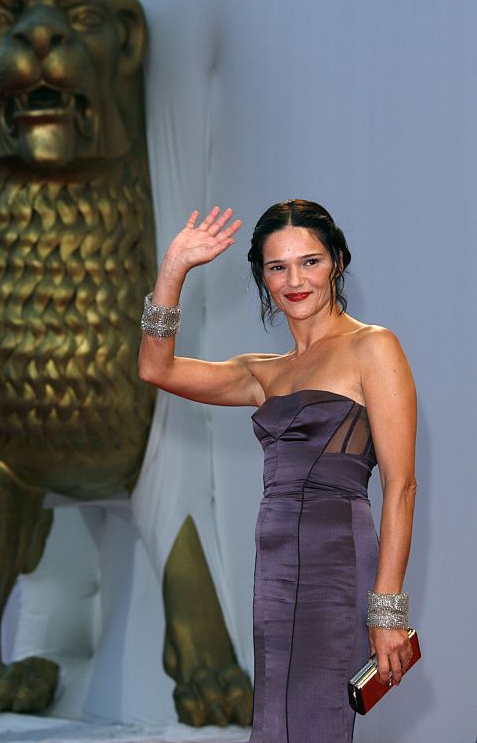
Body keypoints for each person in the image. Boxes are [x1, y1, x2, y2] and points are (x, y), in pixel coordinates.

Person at [138, 200, 417, 743]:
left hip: (336, 563)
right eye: (277, 267)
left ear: (336, 261)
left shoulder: (373, 347)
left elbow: (401, 486)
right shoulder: (263, 373)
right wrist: (173, 269)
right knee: (274, 725)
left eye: (309, 262)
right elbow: (156, 367)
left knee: (315, 723)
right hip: (274, 571)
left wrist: (387, 610)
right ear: (262, 277)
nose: (295, 280)